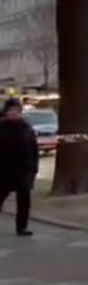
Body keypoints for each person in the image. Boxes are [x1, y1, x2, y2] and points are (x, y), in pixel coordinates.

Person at [0, 98, 38, 236]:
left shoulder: (27, 129)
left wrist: (33, 169)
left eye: (17, 111)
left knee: (24, 202)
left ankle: (21, 227)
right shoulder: (2, 128)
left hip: (24, 170)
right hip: (4, 170)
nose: (14, 113)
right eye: (11, 111)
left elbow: (34, 150)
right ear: (6, 112)